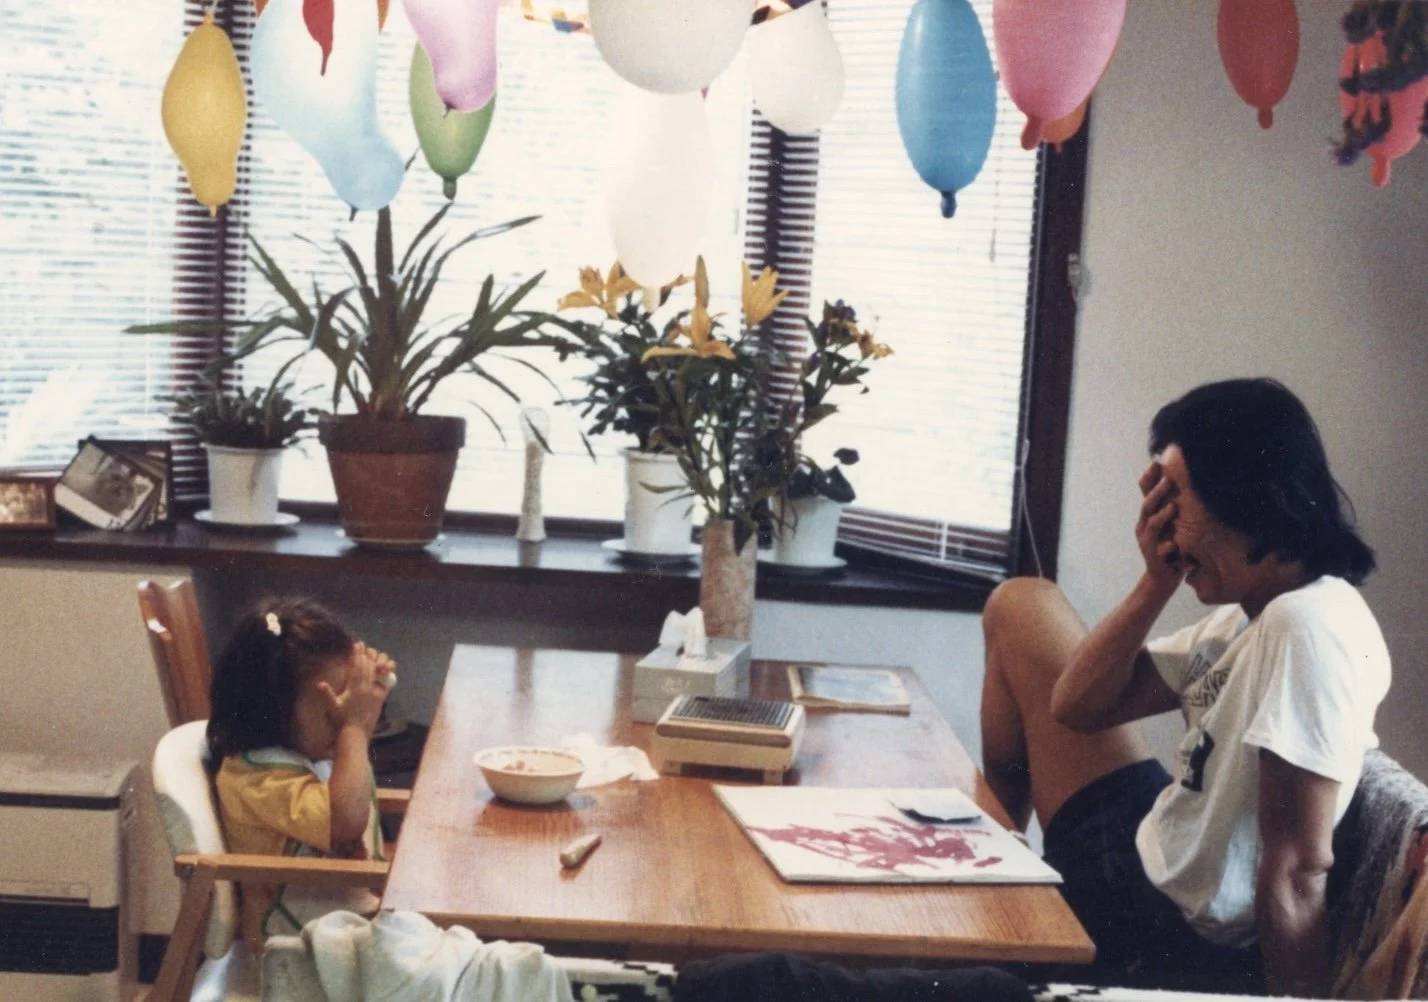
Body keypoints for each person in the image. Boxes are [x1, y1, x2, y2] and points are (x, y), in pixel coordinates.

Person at [981, 378, 1388, 996]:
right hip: (1156, 830)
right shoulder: (1256, 608)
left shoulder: (1307, 625)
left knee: (1020, 603)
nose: (1162, 527)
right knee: (1022, 602)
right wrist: (1156, 580)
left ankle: (991, 904)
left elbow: (1297, 871)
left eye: (1176, 501)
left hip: (1157, 922)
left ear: (1247, 500)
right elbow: (1077, 705)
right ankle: (992, 856)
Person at [206, 597, 397, 953]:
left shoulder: (309, 752)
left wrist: (366, 698)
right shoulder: (257, 780)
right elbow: (344, 820)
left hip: (349, 930)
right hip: (299, 954)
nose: (341, 717)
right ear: (269, 708)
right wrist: (355, 728)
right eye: (332, 712)